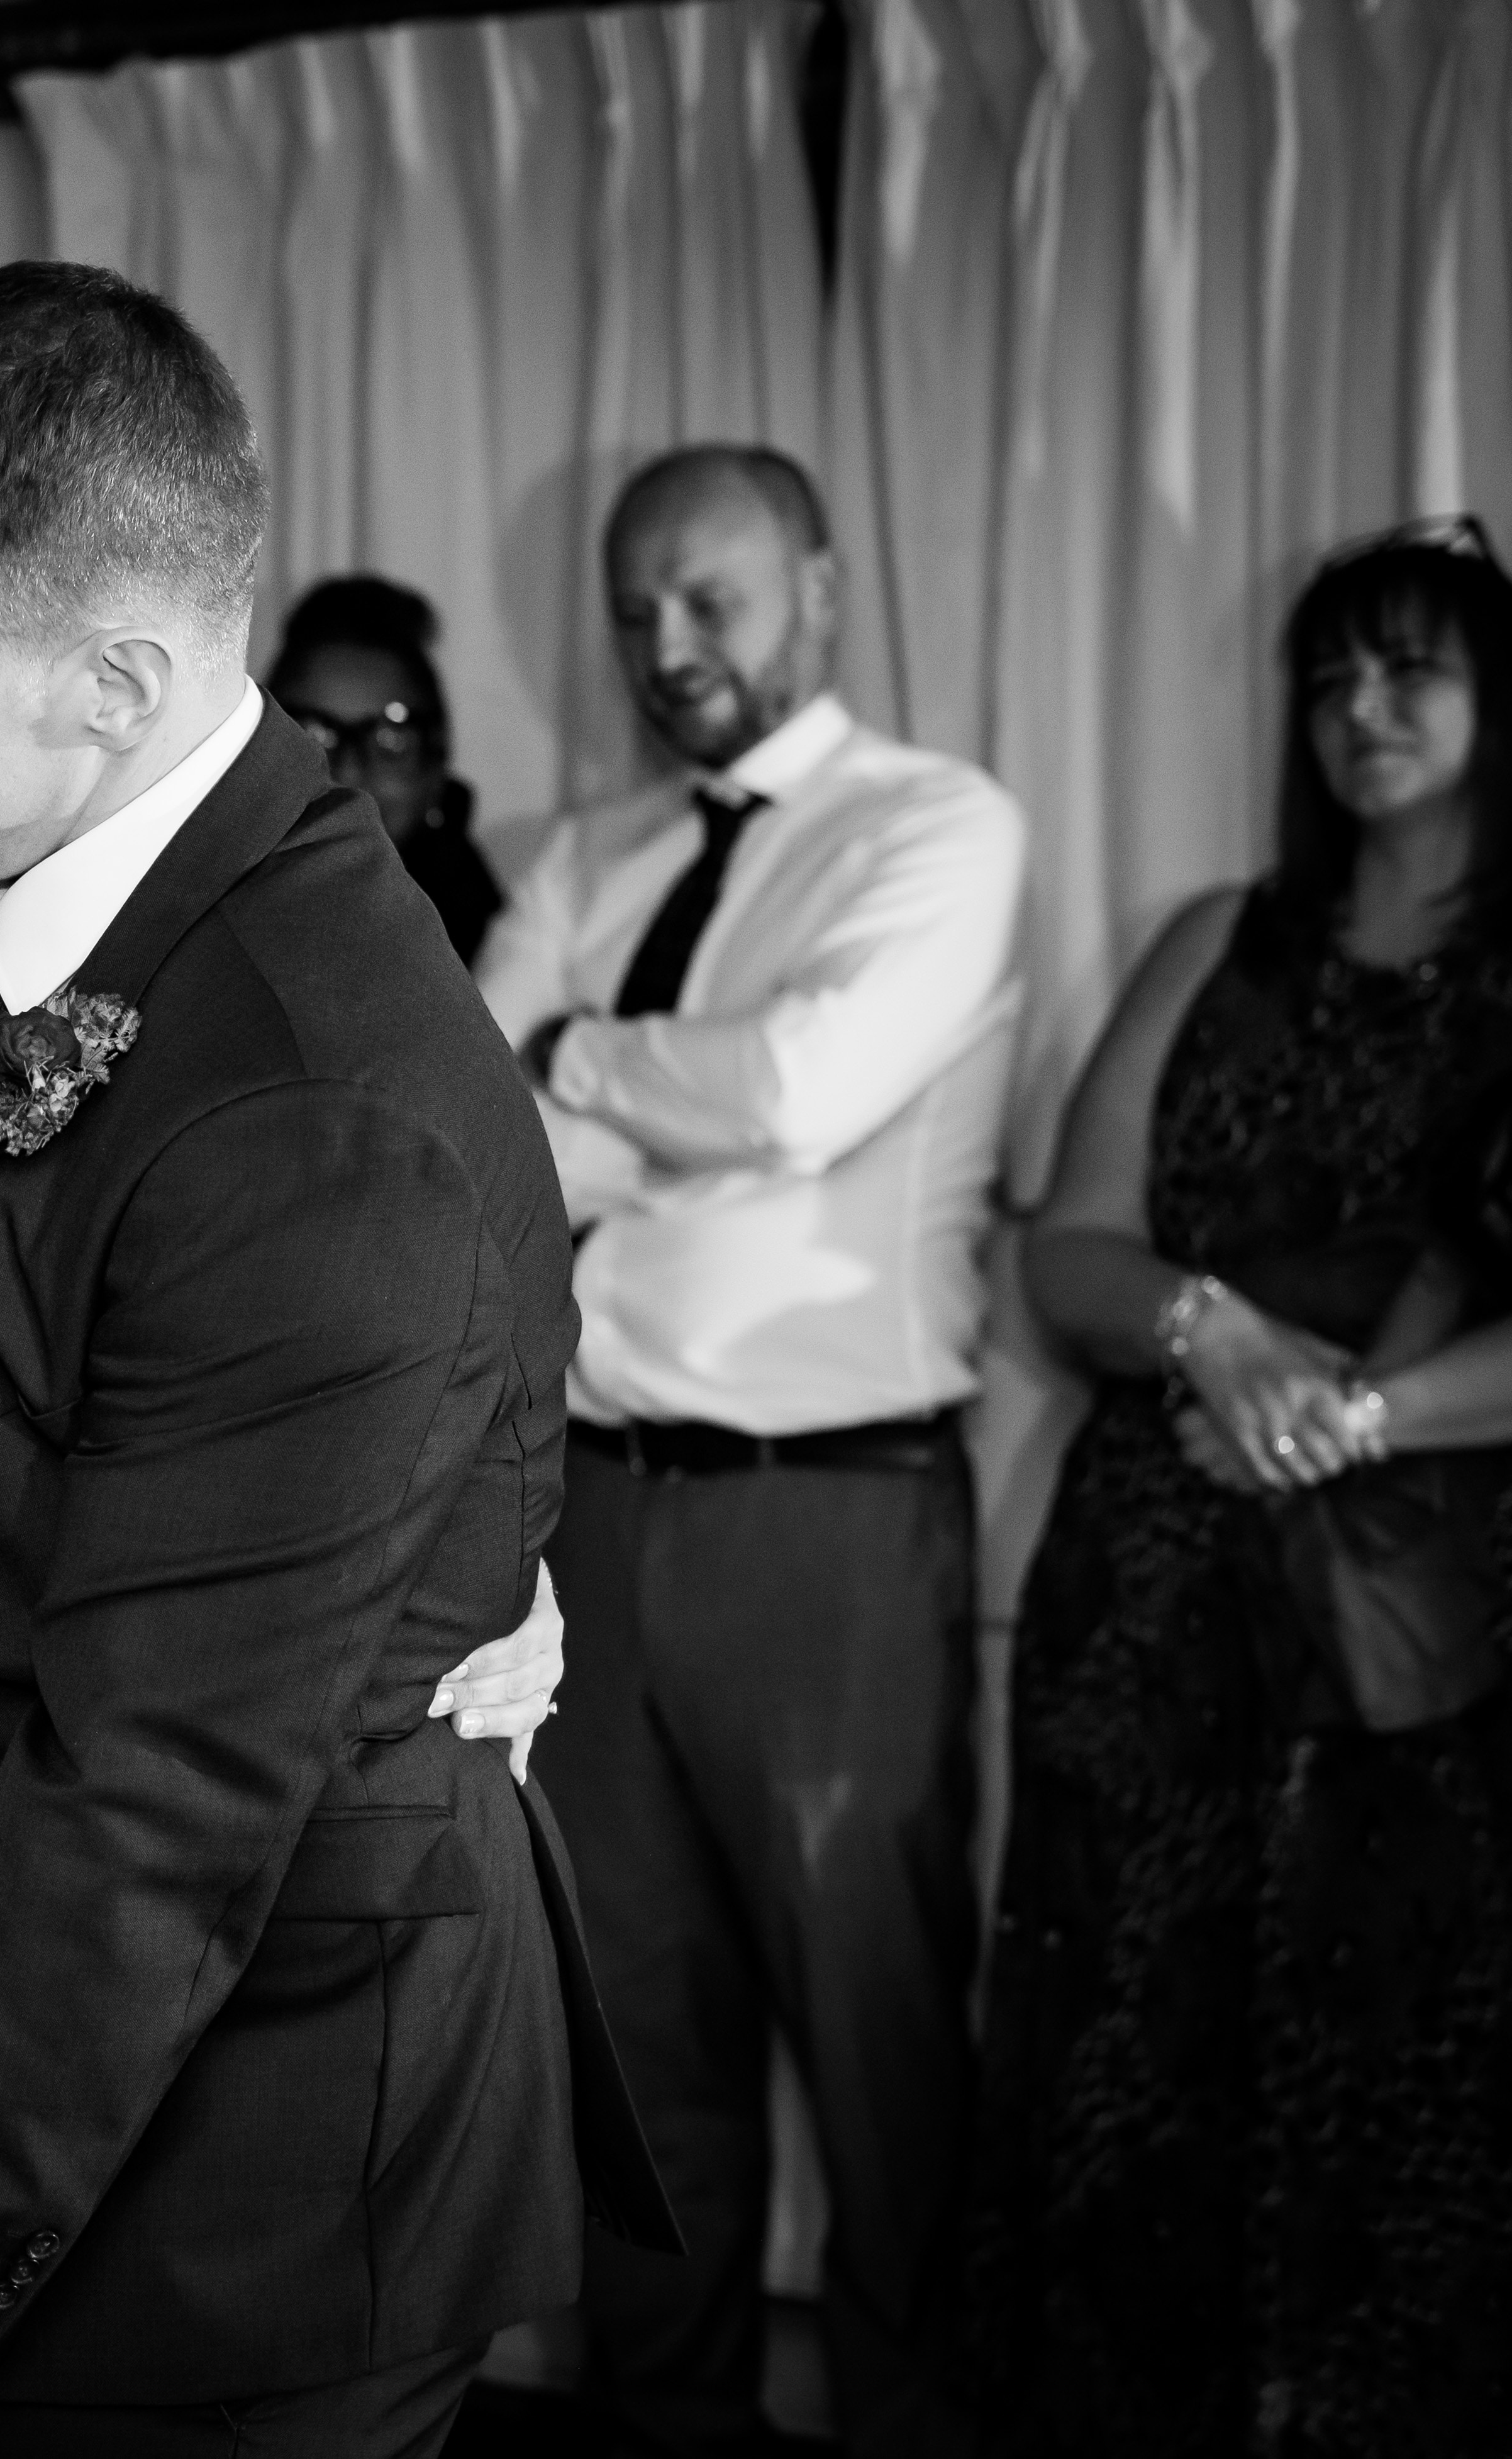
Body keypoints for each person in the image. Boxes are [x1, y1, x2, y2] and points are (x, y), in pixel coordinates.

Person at [0, 262, 651, 2459]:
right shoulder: (10, 895)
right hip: (51, 2050)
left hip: (245, 2164)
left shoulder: (303, 1108)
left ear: (111, 679)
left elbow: (159, 1802)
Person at [469, 444, 1026, 2459]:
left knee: (875, 2056)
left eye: (705, 597)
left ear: (814, 582)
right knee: (632, 2043)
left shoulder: (934, 827)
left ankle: (906, 2420)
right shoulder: (586, 855)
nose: (664, 646)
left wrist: (578, 1063)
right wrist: (612, 1094)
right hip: (594, 1518)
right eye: (630, 611)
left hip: (830, 1523)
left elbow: (804, 1083)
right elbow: (470, 1137)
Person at [969, 515, 1512, 2455]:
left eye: (1406, 671)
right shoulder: (1217, 934)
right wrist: (1221, 1333)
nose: (1358, 711)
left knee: (1402, 2098)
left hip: (1424, 1636)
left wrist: (1347, 1416)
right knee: (1131, 2050)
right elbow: (1066, 1248)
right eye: (1327, 677)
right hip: (1153, 1601)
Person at [270, 574, 505, 959]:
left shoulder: (482, 940)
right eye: (312, 735)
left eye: (389, 741)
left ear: (436, 772)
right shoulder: (188, 896)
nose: (345, 773)